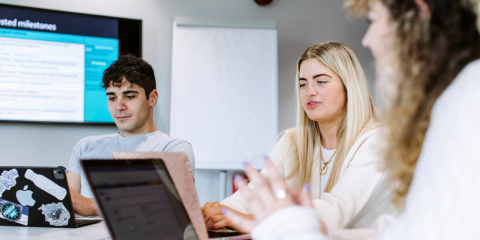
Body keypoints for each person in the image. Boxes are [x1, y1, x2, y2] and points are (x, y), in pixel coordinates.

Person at [223, 0, 480, 239]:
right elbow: (401, 231)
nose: (366, 40)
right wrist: (222, 210)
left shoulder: (466, 99)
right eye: (303, 84)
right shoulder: (452, 101)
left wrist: (281, 225)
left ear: (418, 14)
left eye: (372, 21)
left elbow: (339, 211)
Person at [202, 41, 395, 232]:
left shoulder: (377, 141)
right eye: (303, 84)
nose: (309, 92)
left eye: (321, 81)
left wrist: (242, 218)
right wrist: (218, 211)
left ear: (348, 86)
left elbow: (334, 213)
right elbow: (252, 196)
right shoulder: (291, 142)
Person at [66, 54, 195, 216]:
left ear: (152, 98)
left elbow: (168, 209)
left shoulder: (174, 149)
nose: (119, 106)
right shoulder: (85, 146)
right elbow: (69, 202)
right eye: (112, 98)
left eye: (129, 96)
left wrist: (92, 206)